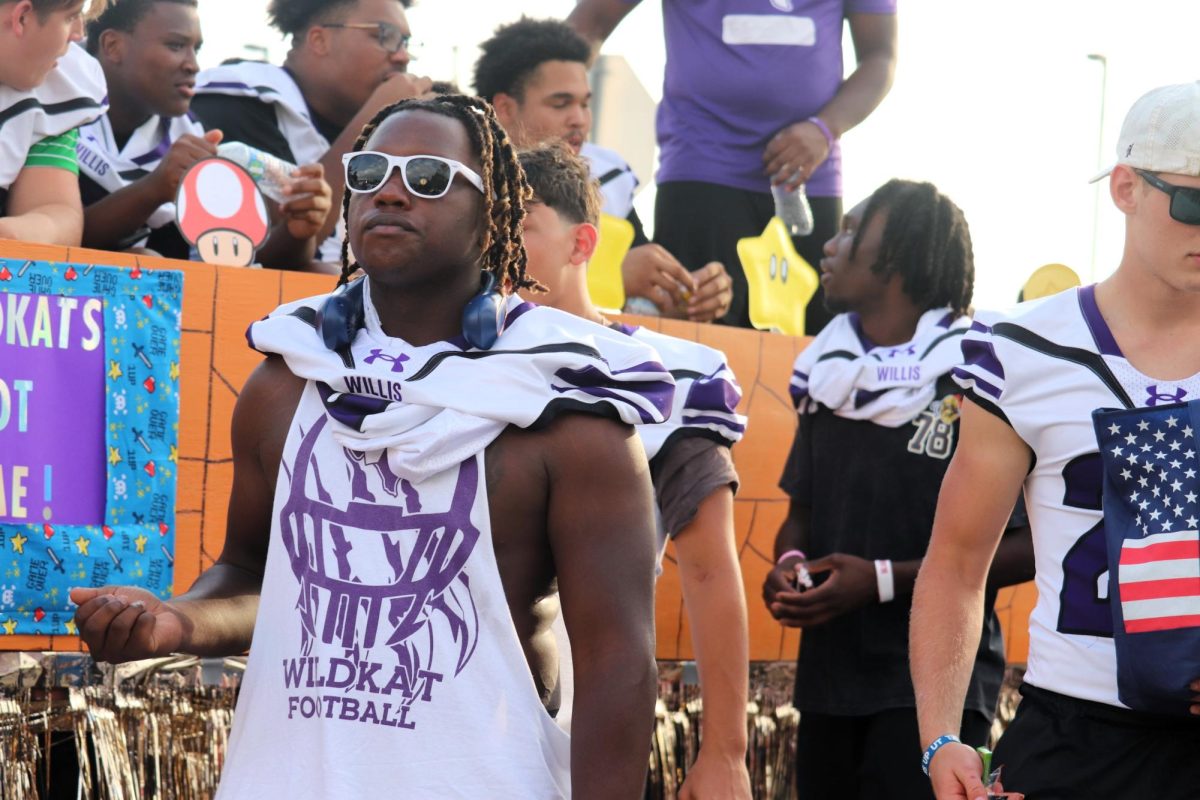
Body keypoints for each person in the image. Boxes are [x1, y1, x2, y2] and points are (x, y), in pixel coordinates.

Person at [71, 94, 670, 799]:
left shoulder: (564, 406)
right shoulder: (288, 378)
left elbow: (617, 664)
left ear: (491, 214)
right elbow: (258, 576)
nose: (389, 190)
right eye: (370, 171)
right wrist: (176, 621)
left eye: (427, 177)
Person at [911, 82, 1200, 800]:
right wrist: (941, 737)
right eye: (1196, 201)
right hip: (1076, 734)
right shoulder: (1026, 349)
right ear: (1126, 189)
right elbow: (956, 561)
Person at [761, 180, 1034, 798]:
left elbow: (1025, 548)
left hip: (934, 688)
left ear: (903, 258)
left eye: (853, 230)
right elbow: (799, 518)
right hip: (829, 678)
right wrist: (790, 567)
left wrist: (881, 580)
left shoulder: (977, 374)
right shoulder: (827, 375)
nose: (831, 246)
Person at [517, 142, 750, 799]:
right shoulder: (442, 364)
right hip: (448, 726)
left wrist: (727, 752)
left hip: (586, 732)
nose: (500, 248)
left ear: (581, 242)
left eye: (522, 226)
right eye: (489, 228)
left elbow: (707, 566)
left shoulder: (660, 376)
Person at [568, 0, 897, 333]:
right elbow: (590, 21)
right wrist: (545, 113)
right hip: (702, 170)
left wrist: (825, 129)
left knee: (814, 347)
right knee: (696, 341)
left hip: (809, 179)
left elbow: (880, 56)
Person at [474, 17, 732, 323]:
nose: (579, 120)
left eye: (584, 104)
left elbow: (635, 310)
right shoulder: (463, 180)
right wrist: (611, 277)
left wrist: (686, 298)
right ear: (504, 108)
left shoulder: (608, 177)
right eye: (560, 104)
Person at [78, 0, 333, 267]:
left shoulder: (193, 133)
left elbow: (234, 263)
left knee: (323, 272)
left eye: (196, 49)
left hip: (180, 301)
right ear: (112, 46)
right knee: (142, 263)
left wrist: (297, 231)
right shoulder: (57, 112)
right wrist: (153, 189)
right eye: (176, 45)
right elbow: (58, 240)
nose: (193, 65)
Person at [190, 0, 431, 262]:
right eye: (385, 36)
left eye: (405, 42)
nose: (402, 56)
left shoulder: (388, 130)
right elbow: (257, 256)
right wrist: (372, 118)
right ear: (319, 40)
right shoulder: (235, 98)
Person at [0, 0, 106, 244]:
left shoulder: (55, 90)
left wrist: (15, 233)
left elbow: (56, 212)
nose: (79, 33)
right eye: (70, 17)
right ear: (22, 17)